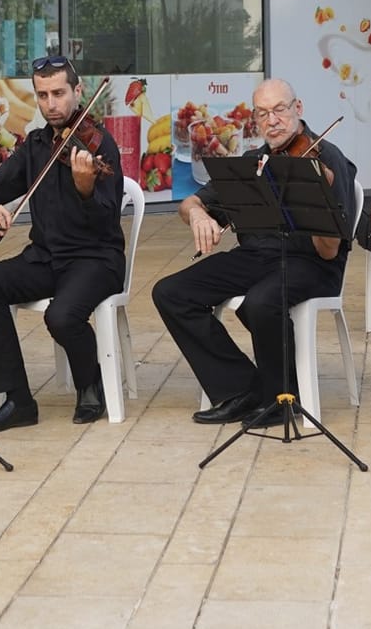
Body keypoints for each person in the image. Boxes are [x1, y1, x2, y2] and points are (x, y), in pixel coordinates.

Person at [153, 79, 359, 427]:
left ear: (298, 109)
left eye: (280, 109)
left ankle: (281, 399)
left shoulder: (327, 159)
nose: (273, 120)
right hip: (257, 257)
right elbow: (191, 202)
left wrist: (316, 194)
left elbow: (329, 250)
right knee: (170, 293)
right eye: (263, 113)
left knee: (261, 302)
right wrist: (198, 214)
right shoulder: (251, 162)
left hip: (310, 262)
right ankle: (241, 389)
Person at [0, 56, 126, 432]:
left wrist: (86, 187)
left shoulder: (101, 145)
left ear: (77, 90)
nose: (51, 104)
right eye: (42, 95)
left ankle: (90, 383)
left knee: (62, 316)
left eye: (58, 93)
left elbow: (106, 219)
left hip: (95, 260)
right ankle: (17, 400)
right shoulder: (37, 145)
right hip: (46, 258)